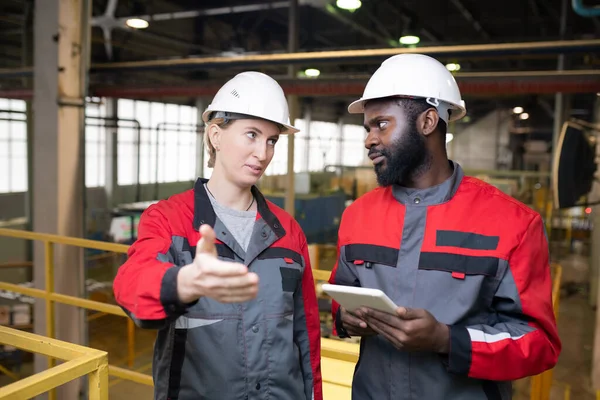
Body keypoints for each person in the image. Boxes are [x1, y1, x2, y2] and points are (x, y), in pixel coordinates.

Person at [328, 54, 561, 399]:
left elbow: (538, 342)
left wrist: (445, 340)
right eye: (368, 129)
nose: (369, 140)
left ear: (428, 122)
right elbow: (341, 297)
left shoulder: (512, 223)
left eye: (382, 125)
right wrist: (346, 319)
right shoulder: (357, 216)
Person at [113, 71, 322, 400]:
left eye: (272, 140)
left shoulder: (288, 231)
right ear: (215, 136)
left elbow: (306, 335)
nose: (263, 153)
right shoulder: (169, 220)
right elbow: (131, 285)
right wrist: (184, 283)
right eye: (251, 134)